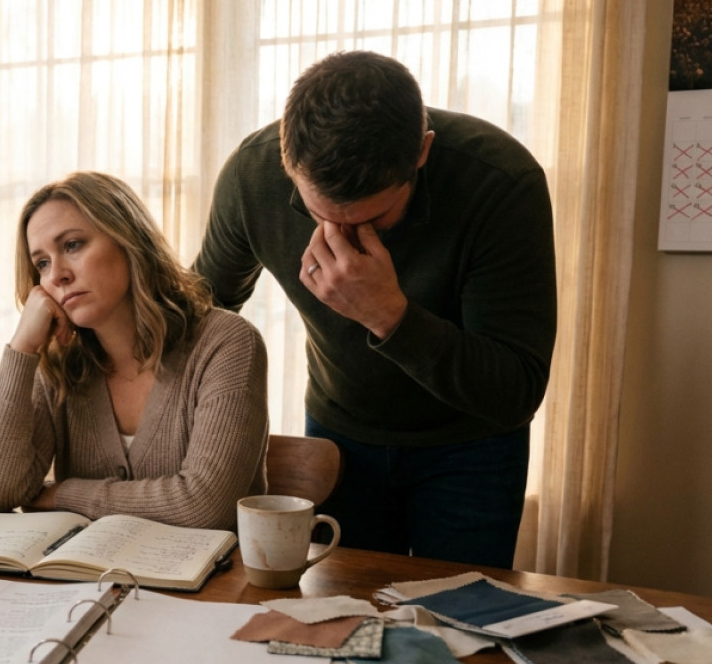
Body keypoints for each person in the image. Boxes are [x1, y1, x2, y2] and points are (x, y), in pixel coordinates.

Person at [192, 51, 556, 568]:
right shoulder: (252, 176)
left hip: (471, 446)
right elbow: (200, 309)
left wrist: (389, 315)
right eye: (320, 214)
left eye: (374, 219)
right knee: (337, 620)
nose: (341, 238)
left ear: (422, 152)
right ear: (285, 158)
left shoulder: (501, 182)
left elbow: (516, 390)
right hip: (339, 436)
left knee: (462, 627)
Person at [0, 171, 269, 530]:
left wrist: (61, 496)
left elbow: (205, 507)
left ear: (128, 239)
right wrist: (22, 348)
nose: (57, 274)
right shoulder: (58, 361)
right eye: (42, 263)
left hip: (209, 584)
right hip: (83, 583)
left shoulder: (225, 343)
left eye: (72, 245)